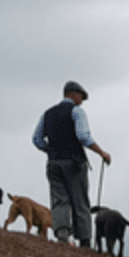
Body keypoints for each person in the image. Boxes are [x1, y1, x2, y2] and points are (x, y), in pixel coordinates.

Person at [32, 80, 112, 246]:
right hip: (74, 163)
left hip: (53, 163)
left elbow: (37, 139)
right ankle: (84, 240)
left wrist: (51, 150)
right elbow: (83, 136)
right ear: (73, 94)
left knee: (59, 200)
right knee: (80, 201)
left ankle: (62, 235)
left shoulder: (47, 113)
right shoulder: (77, 111)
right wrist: (102, 152)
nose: (82, 100)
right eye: (81, 97)